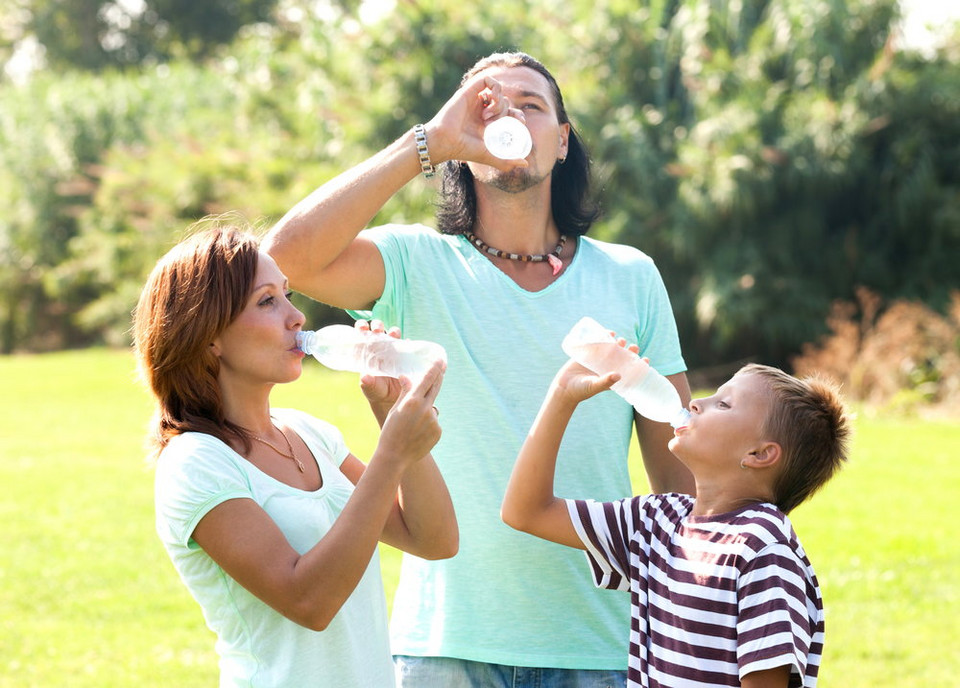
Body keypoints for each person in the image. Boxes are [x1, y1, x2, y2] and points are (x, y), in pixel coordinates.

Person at [264, 51, 694, 686]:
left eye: (531, 104)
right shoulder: (413, 262)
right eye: (487, 107)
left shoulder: (632, 276)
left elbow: (681, 486)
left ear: (562, 138)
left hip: (596, 646)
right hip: (442, 647)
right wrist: (427, 142)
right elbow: (283, 262)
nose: (510, 116)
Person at [133, 225, 457, 687]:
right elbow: (310, 602)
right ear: (208, 336)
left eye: (287, 295)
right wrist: (390, 456)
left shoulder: (309, 432)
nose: (297, 317)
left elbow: (434, 539)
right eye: (267, 301)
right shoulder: (195, 463)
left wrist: (390, 411)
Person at [502, 353, 851, 688]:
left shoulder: (763, 550)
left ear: (759, 454)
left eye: (724, 404)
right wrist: (562, 395)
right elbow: (526, 511)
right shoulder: (655, 523)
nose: (697, 402)